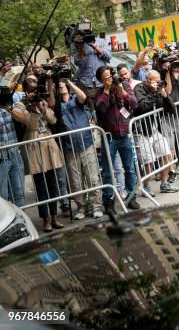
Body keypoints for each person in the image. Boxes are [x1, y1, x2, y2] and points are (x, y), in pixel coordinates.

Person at [11, 78, 65, 232]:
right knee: (41, 185)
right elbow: (32, 124)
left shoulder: (43, 101)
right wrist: (33, 107)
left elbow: (53, 120)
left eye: (37, 89)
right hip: (34, 145)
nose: (36, 92)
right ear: (27, 91)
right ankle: (46, 219)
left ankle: (55, 216)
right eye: (33, 90)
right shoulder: (21, 104)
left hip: (49, 145)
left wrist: (42, 107)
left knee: (53, 182)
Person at [95, 66, 140, 212]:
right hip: (109, 136)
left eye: (110, 76)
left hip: (124, 133)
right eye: (105, 78)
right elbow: (101, 108)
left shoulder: (124, 85)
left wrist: (123, 92)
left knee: (130, 168)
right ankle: (108, 203)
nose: (109, 79)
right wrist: (107, 91)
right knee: (108, 171)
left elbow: (134, 104)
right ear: (101, 80)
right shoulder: (99, 92)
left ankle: (132, 197)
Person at [58, 80, 104, 219]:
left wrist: (69, 82)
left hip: (86, 143)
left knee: (92, 178)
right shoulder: (56, 105)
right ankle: (81, 208)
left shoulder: (75, 98)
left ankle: (96, 206)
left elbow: (83, 97)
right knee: (75, 181)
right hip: (69, 147)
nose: (61, 87)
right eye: (58, 85)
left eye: (62, 85)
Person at [133, 70, 179, 195]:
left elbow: (172, 109)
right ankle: (146, 186)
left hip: (155, 129)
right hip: (142, 130)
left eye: (159, 80)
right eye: (155, 81)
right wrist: (153, 92)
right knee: (148, 161)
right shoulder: (139, 88)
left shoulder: (159, 89)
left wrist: (165, 96)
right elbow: (142, 107)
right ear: (147, 81)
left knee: (165, 153)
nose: (158, 83)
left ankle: (164, 184)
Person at [71, 22, 112, 110]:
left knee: (106, 105)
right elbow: (80, 64)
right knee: (93, 108)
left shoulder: (100, 41)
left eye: (87, 25)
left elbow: (109, 56)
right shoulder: (76, 44)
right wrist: (81, 46)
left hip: (102, 81)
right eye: (83, 25)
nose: (86, 28)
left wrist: (94, 46)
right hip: (87, 83)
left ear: (91, 27)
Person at [0, 87, 26, 207]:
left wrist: (9, 108)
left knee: (19, 192)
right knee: (3, 195)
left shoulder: (12, 107)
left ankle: (21, 222)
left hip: (15, 154)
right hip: (1, 158)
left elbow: (23, 118)